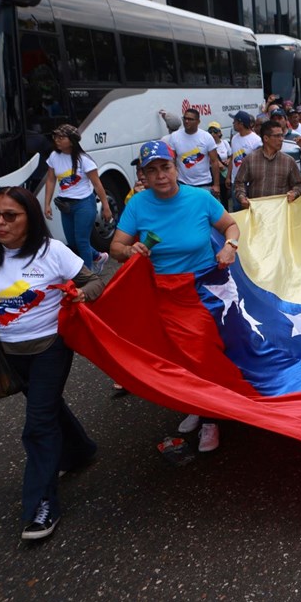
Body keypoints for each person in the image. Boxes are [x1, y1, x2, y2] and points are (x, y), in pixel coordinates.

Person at [0, 186, 104, 539]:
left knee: (37, 424)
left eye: (10, 216)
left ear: (30, 219)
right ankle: (81, 451)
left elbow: (94, 282)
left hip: (50, 348)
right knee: (44, 407)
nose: (1, 223)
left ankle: (41, 506)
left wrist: (80, 294)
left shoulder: (52, 252)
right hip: (5, 352)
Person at [109, 141, 241, 452]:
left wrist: (229, 246)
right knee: (177, 355)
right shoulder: (138, 205)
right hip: (162, 291)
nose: (160, 176)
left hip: (203, 289)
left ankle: (212, 418)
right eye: (151, 171)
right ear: (144, 175)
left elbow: (231, 226)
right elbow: (115, 248)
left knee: (202, 352)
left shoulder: (200, 198)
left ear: (176, 168)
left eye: (165, 167)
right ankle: (196, 403)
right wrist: (129, 250)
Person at [43, 124, 112, 272]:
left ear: (72, 140)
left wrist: (106, 206)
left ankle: (87, 275)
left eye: (61, 137)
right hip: (65, 205)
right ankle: (98, 257)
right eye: (55, 137)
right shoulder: (54, 157)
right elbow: (50, 180)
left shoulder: (84, 160)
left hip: (84, 204)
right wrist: (46, 204)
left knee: (82, 241)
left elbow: (97, 184)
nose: (57, 140)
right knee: (72, 242)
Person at [233, 121, 301, 207]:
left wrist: (294, 193)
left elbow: (299, 185)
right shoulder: (250, 159)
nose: (281, 139)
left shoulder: (288, 161)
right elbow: (239, 182)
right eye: (277, 136)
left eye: (282, 135)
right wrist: (242, 197)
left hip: (280, 211)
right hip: (257, 211)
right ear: (266, 138)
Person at [167, 108, 221, 197]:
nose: (186, 121)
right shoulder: (175, 136)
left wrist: (216, 185)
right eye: (185, 118)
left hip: (204, 185)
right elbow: (171, 160)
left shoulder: (206, 137)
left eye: (190, 119)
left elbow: (214, 162)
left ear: (198, 121)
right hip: (183, 185)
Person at [226, 111, 262, 210]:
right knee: (237, 209)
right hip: (236, 181)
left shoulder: (256, 140)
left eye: (235, 121)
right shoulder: (234, 138)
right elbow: (233, 158)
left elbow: (259, 162)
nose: (233, 124)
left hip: (250, 182)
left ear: (241, 124)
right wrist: (228, 176)